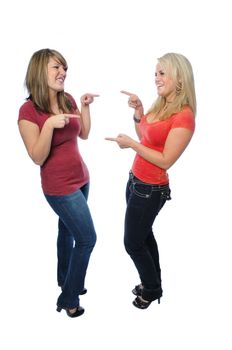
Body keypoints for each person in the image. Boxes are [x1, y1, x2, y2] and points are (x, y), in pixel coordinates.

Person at [105, 52, 196, 309]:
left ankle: (152, 289)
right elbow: (146, 138)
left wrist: (131, 144)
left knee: (132, 242)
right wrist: (139, 112)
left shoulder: (184, 116)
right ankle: (153, 283)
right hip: (135, 181)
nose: (156, 78)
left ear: (179, 78)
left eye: (162, 72)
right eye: (155, 73)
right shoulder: (161, 104)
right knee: (144, 236)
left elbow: (165, 159)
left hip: (151, 189)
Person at [18, 48, 99, 318]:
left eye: (64, 68)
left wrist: (85, 107)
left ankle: (66, 278)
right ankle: (69, 297)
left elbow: (84, 133)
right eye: (56, 67)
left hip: (82, 179)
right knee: (87, 239)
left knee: (67, 233)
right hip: (59, 188)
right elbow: (37, 157)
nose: (63, 72)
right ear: (39, 71)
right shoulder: (28, 111)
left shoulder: (68, 99)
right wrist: (50, 125)